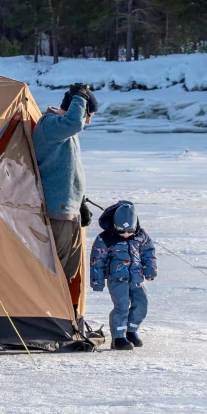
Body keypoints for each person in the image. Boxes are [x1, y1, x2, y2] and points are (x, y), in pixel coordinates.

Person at [32, 82, 98, 310]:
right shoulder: (49, 126)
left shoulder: (64, 132)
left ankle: (65, 318)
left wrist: (81, 202)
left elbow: (70, 170)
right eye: (89, 114)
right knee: (55, 271)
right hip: (55, 211)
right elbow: (75, 122)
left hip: (68, 211)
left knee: (69, 272)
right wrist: (80, 96)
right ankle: (47, 318)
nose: (88, 120)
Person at [90, 200, 157, 350]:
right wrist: (97, 282)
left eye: (129, 231)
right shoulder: (105, 239)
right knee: (121, 307)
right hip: (117, 280)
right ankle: (118, 337)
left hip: (136, 278)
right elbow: (97, 260)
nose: (126, 234)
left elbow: (148, 253)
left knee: (141, 303)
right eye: (121, 230)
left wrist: (150, 271)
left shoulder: (141, 235)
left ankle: (130, 331)